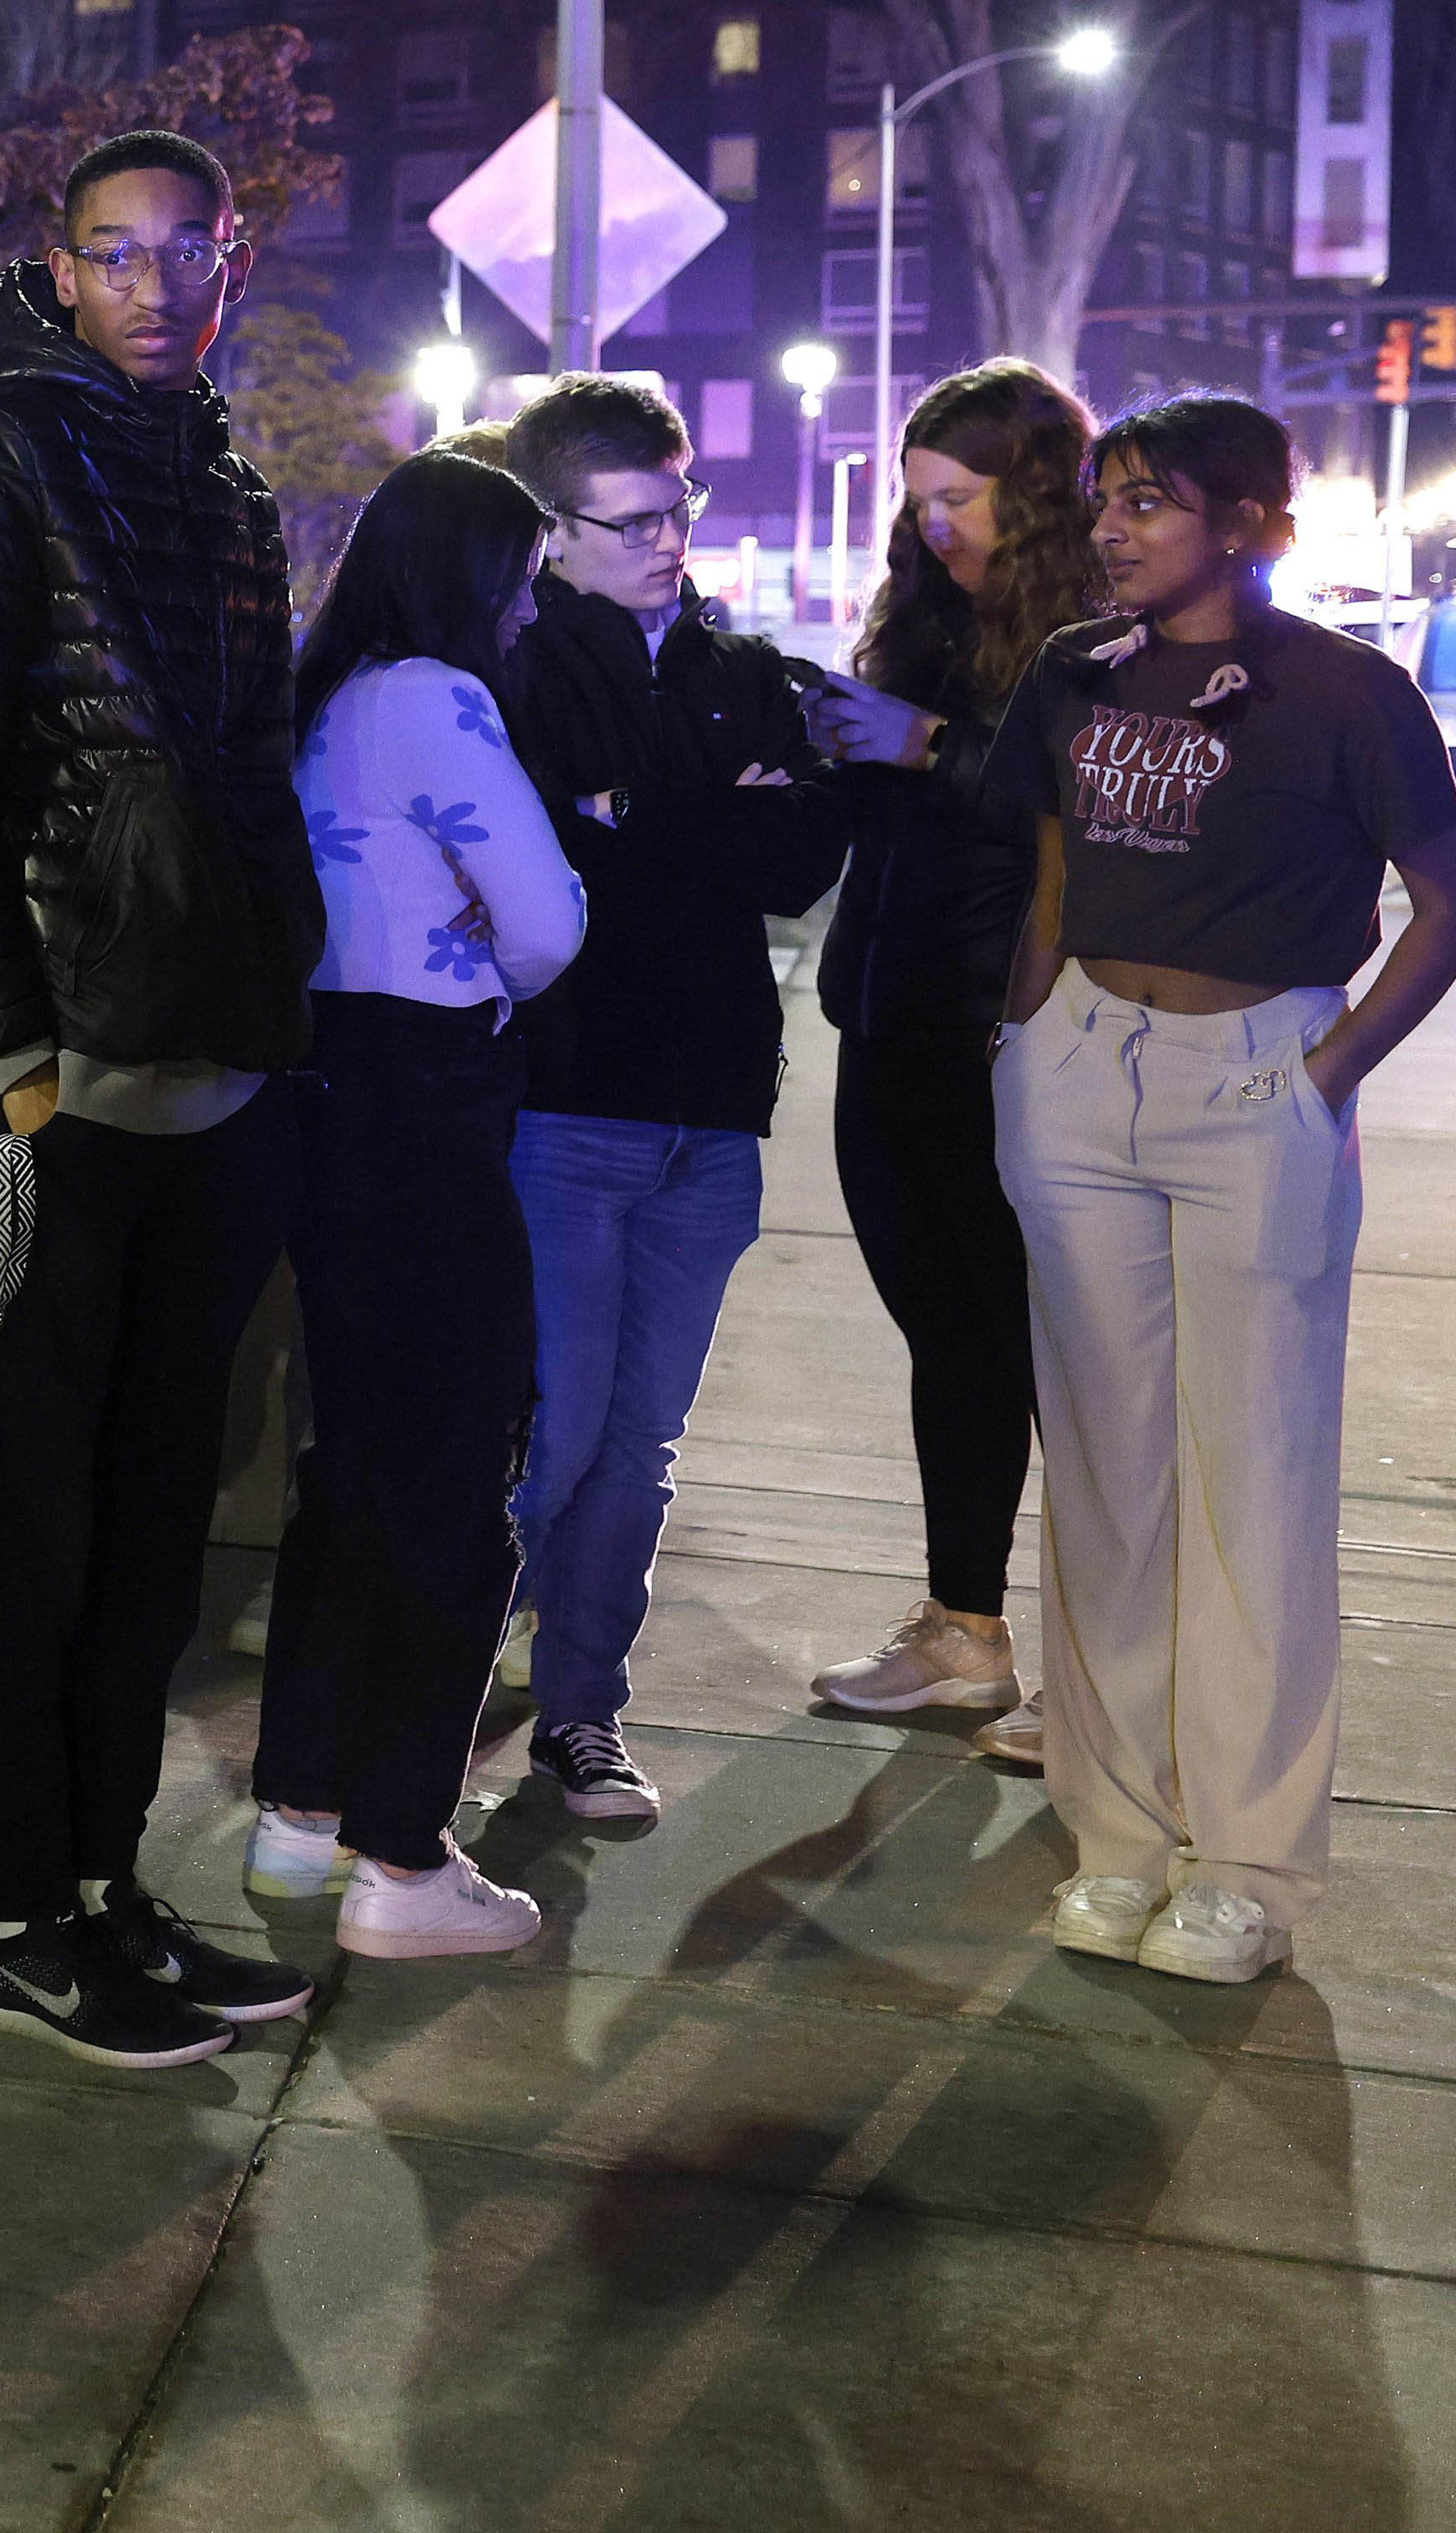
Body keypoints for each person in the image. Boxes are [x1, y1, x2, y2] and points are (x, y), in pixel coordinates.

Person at [0, 136, 331, 2063]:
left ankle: (107, 1887)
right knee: (27, 1516)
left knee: (146, 1526)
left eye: (174, 250)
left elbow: (258, 767)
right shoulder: (0, 458)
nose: (142, 282)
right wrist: (10, 1052)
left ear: (228, 259)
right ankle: (15, 1914)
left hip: (206, 1077)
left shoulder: (219, 482)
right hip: (52, 1096)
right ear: (63, 268)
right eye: (106, 255)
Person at [988, 393, 1456, 1987]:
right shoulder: (1075, 668)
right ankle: (1120, 1835)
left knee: (1252, 1470)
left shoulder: (1345, 691)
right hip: (1077, 1070)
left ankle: (1247, 1861)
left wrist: (1327, 1073)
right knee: (1104, 1474)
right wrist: (1026, 1027)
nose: (1116, 528)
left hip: (1256, 1078)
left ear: (1253, 521)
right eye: (1106, 501)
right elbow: (1054, 856)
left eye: (1151, 503)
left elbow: (1449, 906)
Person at [481, 375, 852, 1829]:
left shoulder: (742, 666)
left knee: (640, 1442)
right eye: (631, 520)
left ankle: (581, 1715)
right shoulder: (519, 672)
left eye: (678, 507)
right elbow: (552, 869)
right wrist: (711, 811)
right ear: (551, 532)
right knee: (557, 1431)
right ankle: (431, 1689)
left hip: (713, 1106)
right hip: (566, 1103)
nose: (667, 540)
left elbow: (796, 862)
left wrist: (643, 812)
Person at [247, 449, 584, 1963]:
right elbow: (550, 920)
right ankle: (403, 1850)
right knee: (454, 1469)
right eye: (521, 579)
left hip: (322, 1092)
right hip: (428, 1099)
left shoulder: (318, 697)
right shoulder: (435, 701)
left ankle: (302, 1807)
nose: (530, 609)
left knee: (356, 1460)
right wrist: (492, 989)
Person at [798, 361, 1101, 1763]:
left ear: (1032, 492)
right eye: (917, 499)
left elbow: (1089, 804)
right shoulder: (921, 616)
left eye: (959, 498)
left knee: (1058, 1353)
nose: (932, 527)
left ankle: (1101, 1675)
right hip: (891, 1013)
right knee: (951, 1335)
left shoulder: (1100, 627)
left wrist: (927, 746)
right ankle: (963, 1633)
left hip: (1016, 1027)